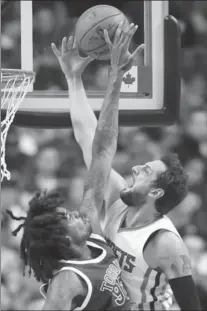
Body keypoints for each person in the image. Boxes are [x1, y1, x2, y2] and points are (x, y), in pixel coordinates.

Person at [53, 26, 202, 311]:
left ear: (156, 192)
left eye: (145, 171)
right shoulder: (118, 202)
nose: (135, 168)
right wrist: (73, 79)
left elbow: (191, 306)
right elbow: (91, 141)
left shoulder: (165, 244)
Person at [7, 22, 141, 311]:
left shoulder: (90, 228)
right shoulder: (66, 284)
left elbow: (102, 149)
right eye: (65, 217)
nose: (73, 212)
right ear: (65, 239)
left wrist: (115, 78)